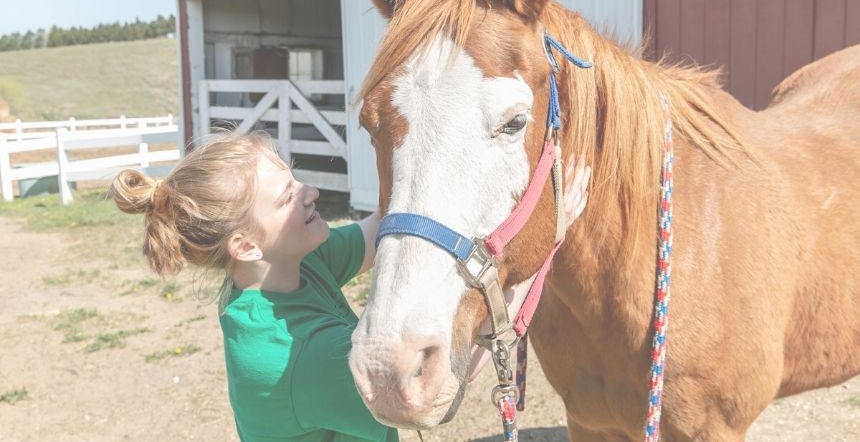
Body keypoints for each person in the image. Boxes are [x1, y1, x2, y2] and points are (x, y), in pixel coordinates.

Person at [110, 131, 590, 442]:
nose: (310, 192)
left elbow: (384, 228)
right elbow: (443, 381)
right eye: (287, 196)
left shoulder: (288, 264)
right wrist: (546, 233)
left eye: (295, 179)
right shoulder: (288, 354)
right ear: (246, 245)